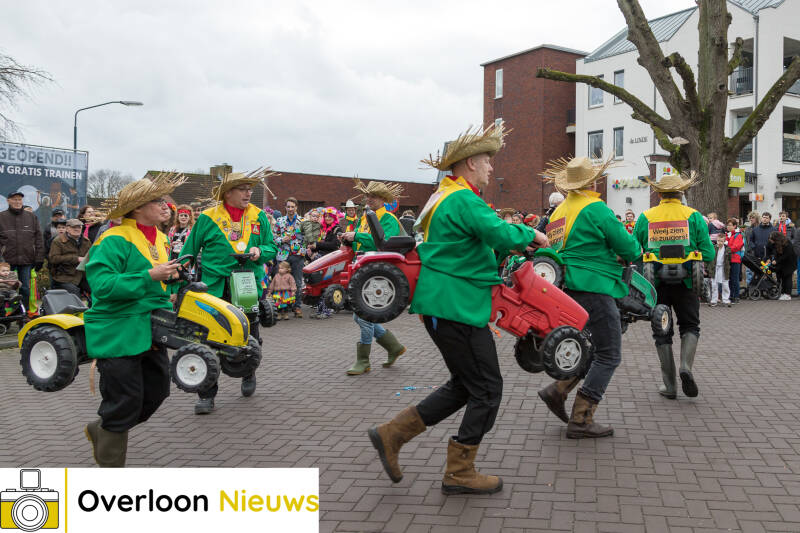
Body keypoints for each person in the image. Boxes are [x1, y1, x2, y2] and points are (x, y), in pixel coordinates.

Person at [368, 123, 548, 495]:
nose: (491, 168)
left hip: (444, 303)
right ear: (469, 164)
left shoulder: (443, 196)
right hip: (457, 305)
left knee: (465, 385)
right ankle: (459, 471)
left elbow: (468, 244)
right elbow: (497, 232)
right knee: (487, 389)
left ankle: (393, 434)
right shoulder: (463, 199)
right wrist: (531, 235)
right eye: (486, 161)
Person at [82, 172, 185, 467]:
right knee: (123, 401)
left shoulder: (162, 238)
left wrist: (173, 282)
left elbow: (160, 283)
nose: (164, 204)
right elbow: (102, 286)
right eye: (157, 200)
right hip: (118, 330)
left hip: (150, 327)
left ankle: (104, 428)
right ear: (138, 208)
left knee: (158, 391)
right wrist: (149, 275)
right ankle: (111, 471)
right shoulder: (113, 239)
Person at [536, 156, 641, 438]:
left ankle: (557, 390)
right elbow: (628, 247)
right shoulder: (595, 208)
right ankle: (581, 418)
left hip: (565, 288)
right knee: (609, 353)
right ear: (593, 181)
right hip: (594, 286)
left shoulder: (558, 213)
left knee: (589, 346)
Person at [180, 169, 278, 414]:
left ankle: (248, 372)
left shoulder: (259, 217)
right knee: (206, 339)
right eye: (243, 189)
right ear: (228, 192)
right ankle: (206, 394)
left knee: (249, 334)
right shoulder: (208, 217)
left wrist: (260, 252)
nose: (248, 193)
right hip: (214, 287)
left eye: (250, 189)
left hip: (246, 285)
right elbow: (189, 252)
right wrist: (177, 285)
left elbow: (271, 247)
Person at [634, 171, 714, 400]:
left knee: (662, 333)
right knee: (690, 326)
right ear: (682, 192)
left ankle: (669, 386)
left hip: (655, 284)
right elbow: (707, 251)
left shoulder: (646, 217)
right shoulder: (694, 216)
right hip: (687, 282)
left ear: (658, 193)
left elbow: (633, 249)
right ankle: (686, 367)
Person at [340, 180, 407, 375]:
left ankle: (363, 361)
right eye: (368, 196)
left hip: (378, 273)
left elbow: (383, 243)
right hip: (365, 269)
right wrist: (348, 239)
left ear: (383, 199)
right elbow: (362, 242)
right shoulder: (365, 218)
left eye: (373, 196)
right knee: (359, 315)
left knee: (364, 315)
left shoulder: (389, 219)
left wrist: (356, 237)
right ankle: (394, 347)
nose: (369, 199)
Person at [0, 190, 45, 316]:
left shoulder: (31, 217)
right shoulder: (1, 217)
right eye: (14, 199)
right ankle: (4, 315)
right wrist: (1, 260)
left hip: (26, 260)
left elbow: (39, 239)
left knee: (25, 289)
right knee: (6, 288)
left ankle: (24, 314)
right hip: (6, 262)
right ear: (8, 201)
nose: (17, 202)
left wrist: (39, 258)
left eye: (19, 199)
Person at [309, 207, 345, 318]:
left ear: (334, 217)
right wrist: (312, 249)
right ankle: (320, 310)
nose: (328, 218)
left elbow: (335, 245)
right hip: (322, 259)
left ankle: (326, 311)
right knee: (319, 285)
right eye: (326, 216)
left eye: (330, 216)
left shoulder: (337, 229)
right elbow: (321, 244)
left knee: (326, 285)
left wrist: (317, 245)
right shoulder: (324, 228)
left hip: (330, 261)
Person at [274, 197, 305, 317]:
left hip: (297, 256)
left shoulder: (303, 221)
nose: (290, 209)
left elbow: (307, 236)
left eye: (293, 207)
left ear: (296, 207)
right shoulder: (280, 221)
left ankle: (297, 307)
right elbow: (273, 237)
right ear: (285, 207)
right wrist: (282, 239)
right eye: (288, 207)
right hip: (283, 256)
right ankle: (283, 309)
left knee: (297, 282)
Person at [49, 218, 92, 300]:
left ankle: (94, 311)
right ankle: (76, 312)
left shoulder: (86, 241)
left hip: (82, 276)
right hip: (64, 276)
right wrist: (76, 259)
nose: (77, 229)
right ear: (67, 229)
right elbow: (53, 259)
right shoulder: (58, 241)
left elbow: (91, 256)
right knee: (75, 294)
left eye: (79, 227)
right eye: (74, 227)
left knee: (97, 290)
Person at [767, 231, 796, 300]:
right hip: (782, 263)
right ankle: (783, 293)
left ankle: (788, 294)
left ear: (776, 238)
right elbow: (773, 251)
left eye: (771, 239)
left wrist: (777, 261)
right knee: (782, 277)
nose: (770, 240)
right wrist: (771, 259)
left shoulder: (787, 243)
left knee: (787, 278)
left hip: (790, 263)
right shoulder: (775, 243)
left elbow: (787, 255)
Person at [708, 227, 731, 307]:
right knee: (714, 284)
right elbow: (710, 259)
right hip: (715, 268)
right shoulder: (714, 248)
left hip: (724, 268)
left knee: (725, 284)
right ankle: (714, 300)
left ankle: (726, 300)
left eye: (721, 241)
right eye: (718, 241)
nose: (720, 243)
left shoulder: (727, 249)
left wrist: (728, 267)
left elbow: (729, 259)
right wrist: (709, 268)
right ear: (716, 240)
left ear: (724, 241)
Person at [725, 218, 744, 304]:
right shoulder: (728, 235)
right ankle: (730, 295)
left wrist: (727, 249)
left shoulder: (738, 235)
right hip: (728, 259)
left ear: (734, 226)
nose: (728, 227)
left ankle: (736, 296)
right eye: (727, 225)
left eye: (730, 225)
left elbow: (736, 246)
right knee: (729, 278)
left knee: (734, 278)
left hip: (735, 259)